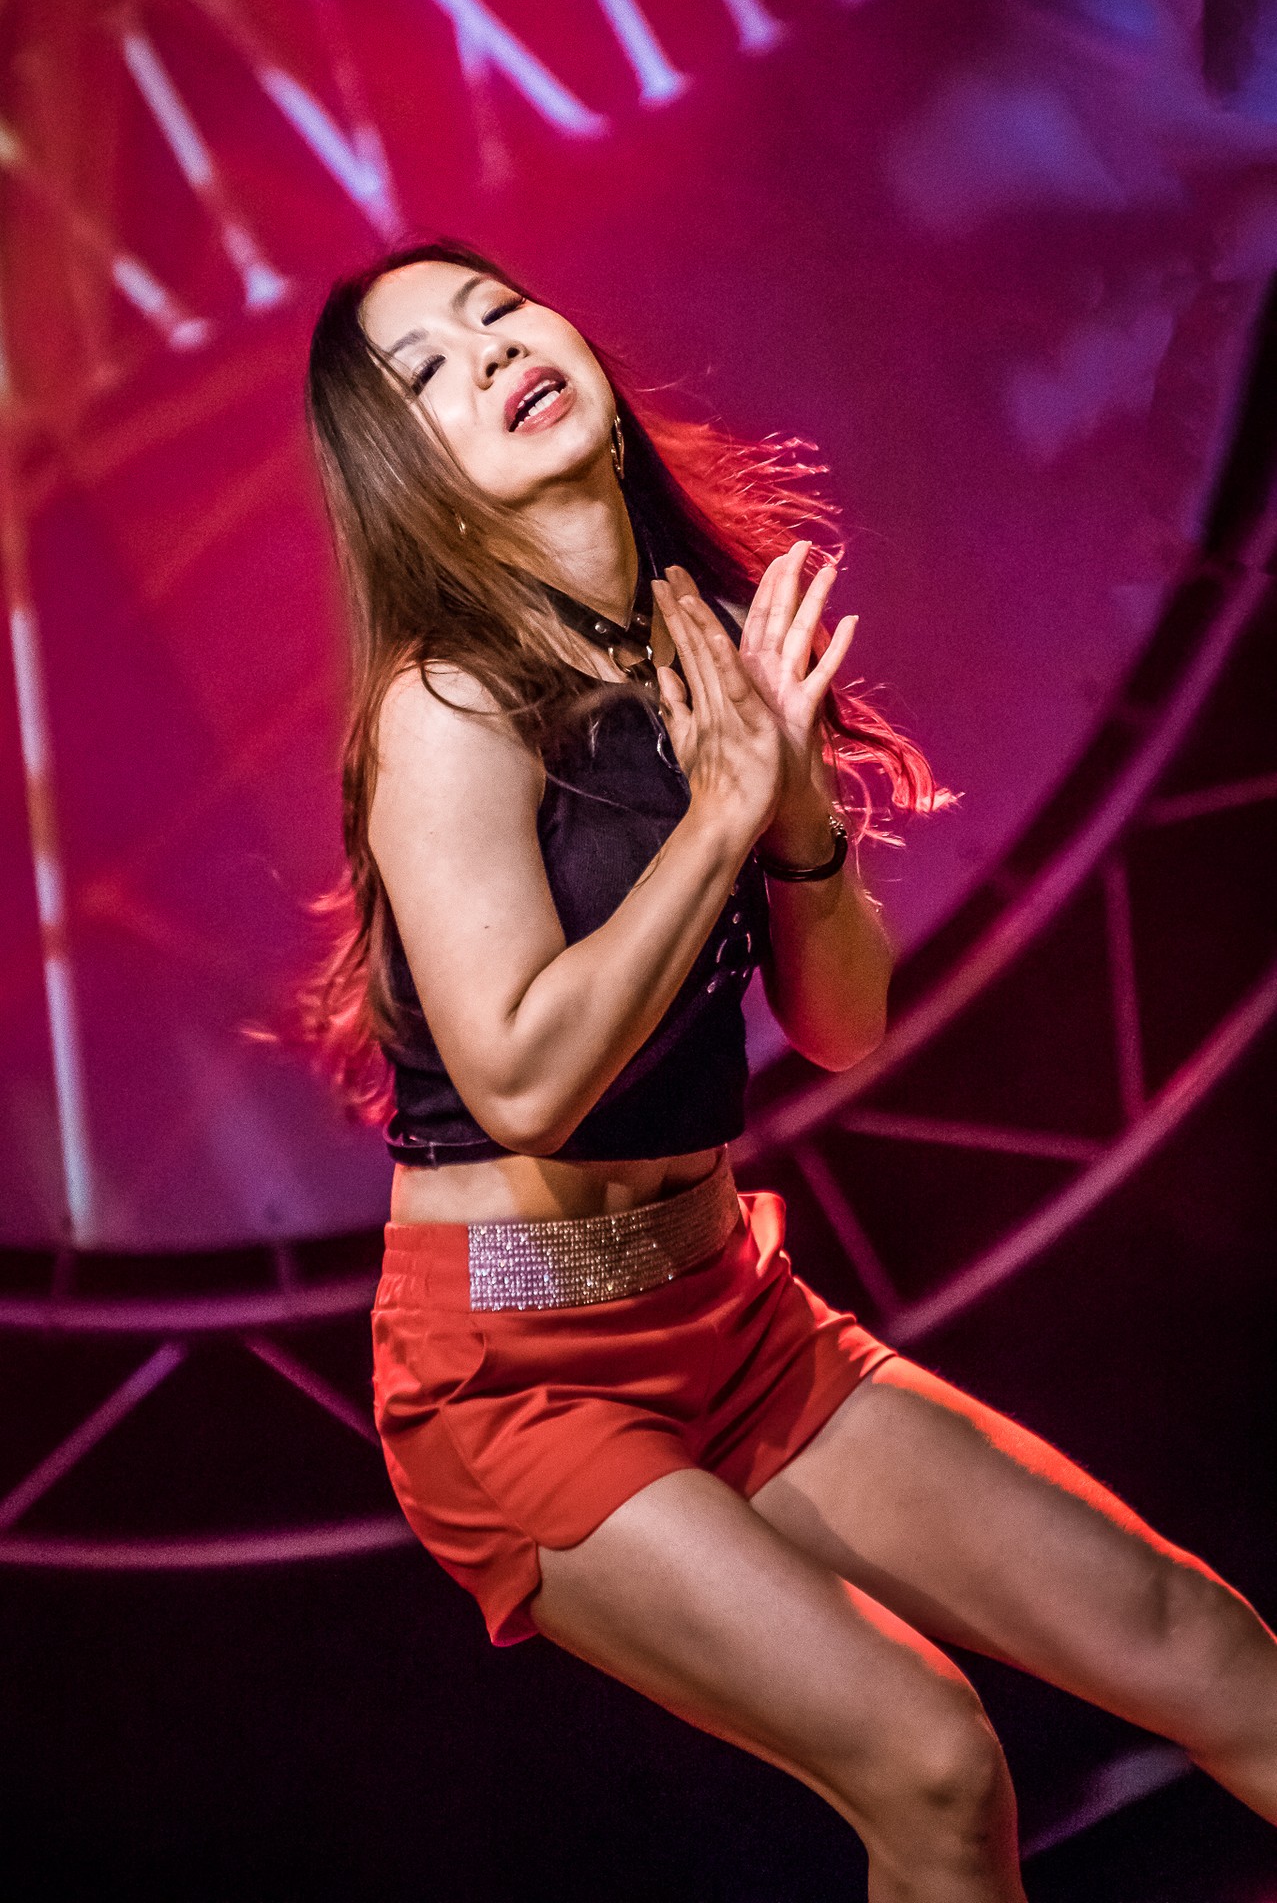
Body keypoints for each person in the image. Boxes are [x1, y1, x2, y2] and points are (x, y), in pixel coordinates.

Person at [299, 240, 1277, 1897]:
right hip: (516, 1373)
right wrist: (725, 818)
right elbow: (524, 1084)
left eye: (497, 314)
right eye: (429, 375)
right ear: (412, 476)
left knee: (1191, 1638)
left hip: (727, 1312)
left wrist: (799, 819)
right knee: (930, 1764)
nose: (492, 355)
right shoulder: (449, 708)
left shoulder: (702, 645)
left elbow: (838, 1029)